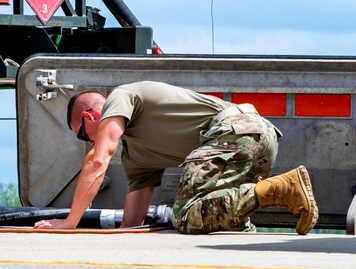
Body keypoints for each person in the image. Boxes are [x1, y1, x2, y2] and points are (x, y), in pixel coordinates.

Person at [33, 81, 318, 234]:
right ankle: (251, 221)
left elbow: (98, 159)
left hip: (235, 130)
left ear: (89, 116)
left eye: (83, 135)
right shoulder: (136, 155)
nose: (88, 142)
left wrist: (70, 222)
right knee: (213, 215)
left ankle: (282, 188)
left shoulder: (121, 96)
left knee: (184, 214)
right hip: (256, 137)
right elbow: (131, 225)